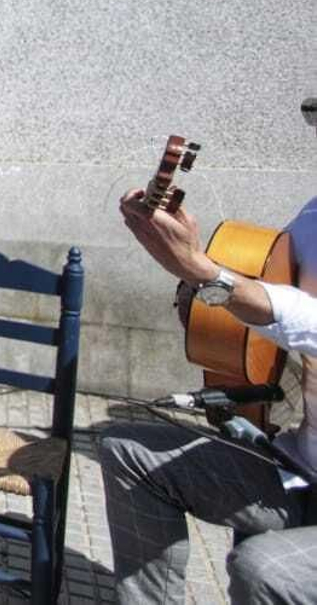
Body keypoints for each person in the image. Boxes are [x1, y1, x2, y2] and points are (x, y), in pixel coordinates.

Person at [99, 167, 317, 603]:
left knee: (263, 566)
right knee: (126, 451)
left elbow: (302, 318)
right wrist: (196, 289)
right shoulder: (313, 215)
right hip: (301, 469)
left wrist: (209, 275)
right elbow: (263, 292)